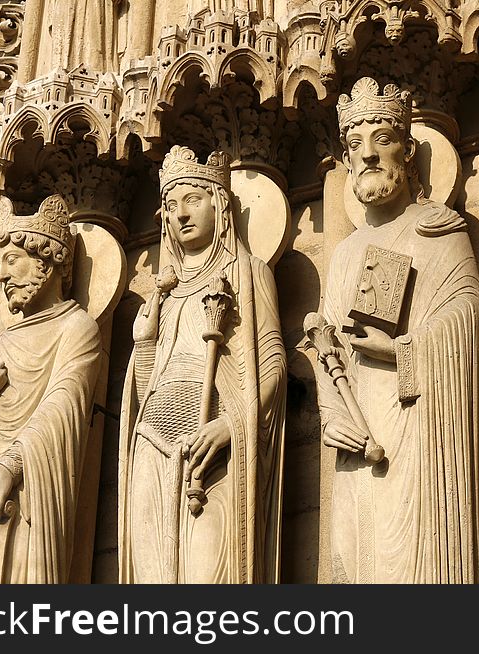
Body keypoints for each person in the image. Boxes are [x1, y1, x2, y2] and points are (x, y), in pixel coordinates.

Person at [318, 77, 479, 583]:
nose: (366, 155)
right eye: (354, 145)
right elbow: (328, 349)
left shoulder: (437, 229)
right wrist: (331, 409)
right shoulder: (345, 254)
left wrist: (401, 349)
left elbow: (467, 320)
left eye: (381, 140)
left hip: (416, 425)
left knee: (408, 559)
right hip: (357, 428)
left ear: (409, 151)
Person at [119, 147, 286, 584]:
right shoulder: (166, 293)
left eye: (193, 199)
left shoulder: (248, 273)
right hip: (151, 442)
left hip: (210, 440)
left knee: (209, 575)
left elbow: (271, 364)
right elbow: (147, 385)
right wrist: (144, 343)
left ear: (221, 202)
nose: (179, 214)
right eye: (170, 206)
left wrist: (232, 423)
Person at [0, 195, 101, 583]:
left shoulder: (77, 328)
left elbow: (62, 407)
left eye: (12, 261)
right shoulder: (3, 340)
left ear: (46, 262)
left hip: (29, 491)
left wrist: (8, 468)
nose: (0, 277)